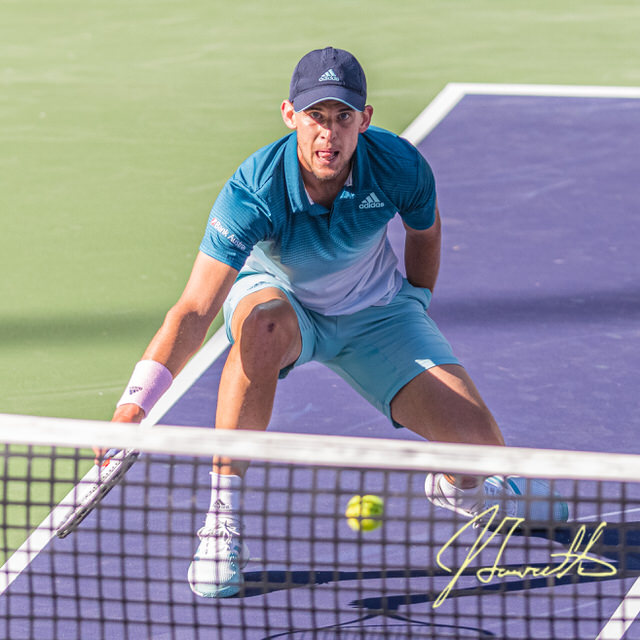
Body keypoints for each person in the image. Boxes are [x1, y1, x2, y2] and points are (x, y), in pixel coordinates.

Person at [109, 47, 567, 599]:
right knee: (261, 327)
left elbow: (425, 231)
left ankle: (465, 491)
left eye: (343, 117)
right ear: (290, 115)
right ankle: (222, 520)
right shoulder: (254, 190)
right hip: (282, 306)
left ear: (364, 119)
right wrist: (136, 404)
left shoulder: (399, 166)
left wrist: (415, 302)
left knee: (481, 448)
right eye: (316, 116)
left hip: (374, 313)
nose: (329, 133)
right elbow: (196, 308)